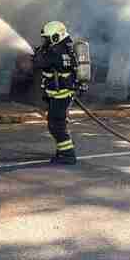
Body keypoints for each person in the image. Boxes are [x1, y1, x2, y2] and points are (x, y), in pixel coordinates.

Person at [33, 21, 78, 165]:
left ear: (56, 37)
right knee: (58, 124)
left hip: (61, 96)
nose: (45, 41)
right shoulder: (65, 48)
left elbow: (40, 64)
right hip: (60, 95)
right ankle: (62, 151)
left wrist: (38, 54)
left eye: (47, 38)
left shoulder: (57, 52)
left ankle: (68, 155)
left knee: (56, 125)